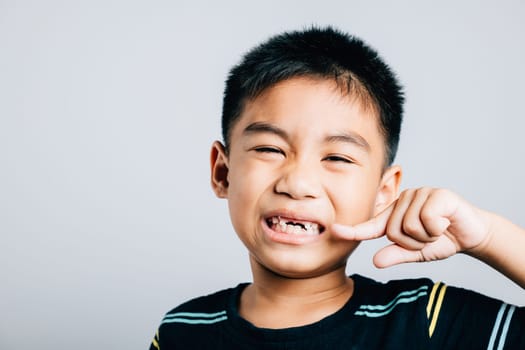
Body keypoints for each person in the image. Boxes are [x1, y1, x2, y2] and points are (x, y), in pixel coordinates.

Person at [149, 27, 524, 349]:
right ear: (222, 172)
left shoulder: (426, 319)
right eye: (269, 149)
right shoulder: (183, 331)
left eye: (338, 158)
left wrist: (488, 237)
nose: (298, 183)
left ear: (384, 192)